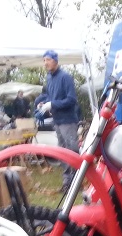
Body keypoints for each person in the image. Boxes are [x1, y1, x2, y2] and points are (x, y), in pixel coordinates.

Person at [40, 49, 79, 193]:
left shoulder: (65, 77)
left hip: (68, 120)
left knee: (72, 150)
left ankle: (77, 181)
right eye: (44, 60)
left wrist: (53, 104)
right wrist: (44, 103)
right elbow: (51, 97)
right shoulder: (49, 78)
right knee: (62, 151)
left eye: (48, 60)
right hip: (57, 120)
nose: (45, 63)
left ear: (55, 61)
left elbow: (71, 99)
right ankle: (67, 181)